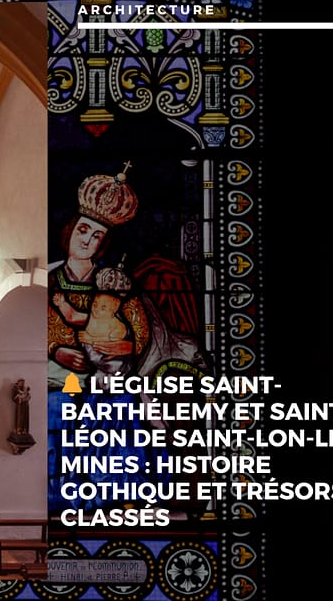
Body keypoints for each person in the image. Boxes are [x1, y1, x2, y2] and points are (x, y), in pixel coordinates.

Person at [47, 166, 209, 516]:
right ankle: (73, 499)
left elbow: (140, 328)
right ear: (70, 231)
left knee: (126, 421)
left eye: (96, 237)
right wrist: (57, 348)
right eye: (83, 230)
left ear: (104, 243)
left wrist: (128, 347)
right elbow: (52, 325)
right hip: (61, 378)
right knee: (60, 411)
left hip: (112, 378)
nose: (87, 240)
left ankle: (123, 497)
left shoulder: (116, 282)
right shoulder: (49, 278)